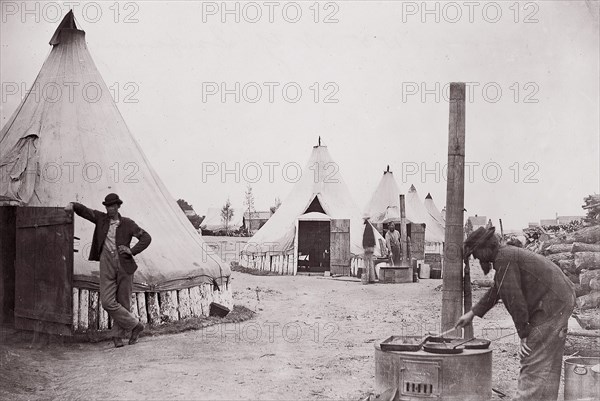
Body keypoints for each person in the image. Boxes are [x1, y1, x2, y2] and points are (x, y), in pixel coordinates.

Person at [455, 227, 575, 401]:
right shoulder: (506, 255)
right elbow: (497, 290)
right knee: (548, 361)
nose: (477, 258)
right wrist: (472, 313)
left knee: (531, 358)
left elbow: (514, 299)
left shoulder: (505, 258)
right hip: (560, 298)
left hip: (553, 304)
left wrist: (524, 334)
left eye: (476, 253)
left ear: (486, 248)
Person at [65, 193, 151, 348]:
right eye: (107, 206)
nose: (109, 209)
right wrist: (73, 205)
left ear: (118, 206)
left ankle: (118, 336)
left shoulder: (128, 224)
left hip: (124, 266)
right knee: (107, 302)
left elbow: (146, 238)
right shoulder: (101, 219)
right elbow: (86, 212)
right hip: (106, 264)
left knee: (123, 303)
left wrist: (132, 251)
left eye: (112, 206)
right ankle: (136, 325)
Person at [362, 218, 377, 284]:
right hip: (371, 247)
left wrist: (365, 246)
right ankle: (372, 278)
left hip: (367, 247)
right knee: (371, 263)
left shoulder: (367, 227)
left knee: (366, 264)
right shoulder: (370, 227)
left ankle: (366, 278)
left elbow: (366, 238)